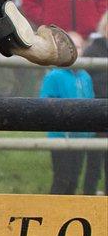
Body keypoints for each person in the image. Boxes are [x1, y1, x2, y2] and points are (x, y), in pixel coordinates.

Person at [40, 31, 95, 194]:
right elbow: (46, 104)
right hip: (61, 138)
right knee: (62, 179)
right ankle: (51, 214)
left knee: (73, 180)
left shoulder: (85, 76)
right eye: (71, 47)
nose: (75, 51)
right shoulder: (54, 76)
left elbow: (91, 101)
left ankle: (66, 216)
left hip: (81, 137)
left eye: (78, 47)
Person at [82, 11, 107, 195]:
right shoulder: (93, 51)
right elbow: (86, 82)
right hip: (96, 115)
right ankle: (88, 199)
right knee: (94, 163)